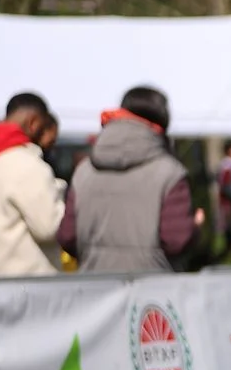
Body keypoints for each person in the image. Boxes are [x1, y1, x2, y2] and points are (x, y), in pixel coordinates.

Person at [60, 86, 203, 272]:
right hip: (151, 294)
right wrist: (195, 227)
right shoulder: (171, 173)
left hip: (93, 292)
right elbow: (176, 241)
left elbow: (67, 237)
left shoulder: (83, 172)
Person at [0, 91, 66, 281]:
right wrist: (59, 192)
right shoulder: (29, 165)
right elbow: (50, 228)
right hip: (25, 290)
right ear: (33, 122)